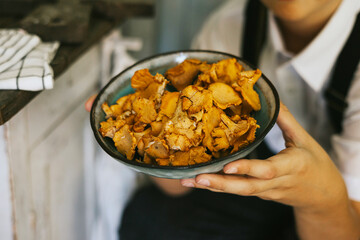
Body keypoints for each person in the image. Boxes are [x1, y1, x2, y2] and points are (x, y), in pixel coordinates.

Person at [86, 0, 360, 239]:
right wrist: (145, 140)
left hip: (337, 211)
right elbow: (179, 188)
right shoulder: (230, 26)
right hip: (244, 182)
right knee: (148, 218)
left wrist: (321, 200)